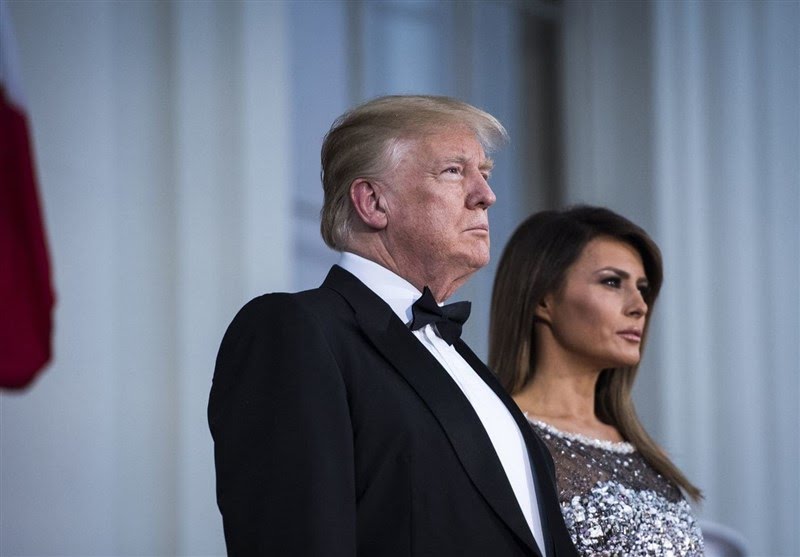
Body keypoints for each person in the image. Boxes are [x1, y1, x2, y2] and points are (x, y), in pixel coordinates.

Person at [208, 95, 578, 556]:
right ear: (373, 202)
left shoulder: (456, 355)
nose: (486, 195)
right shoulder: (295, 331)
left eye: (484, 172)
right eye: (454, 171)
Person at [489, 205, 705, 556]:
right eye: (612, 282)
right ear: (543, 299)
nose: (640, 306)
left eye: (643, 289)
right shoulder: (498, 436)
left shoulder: (647, 455)